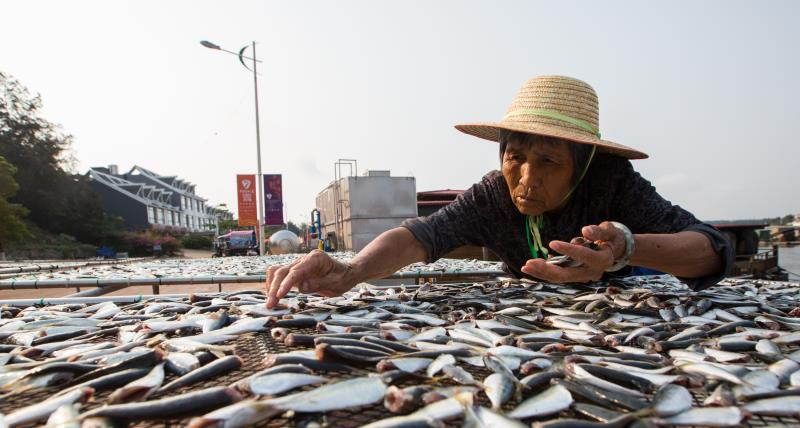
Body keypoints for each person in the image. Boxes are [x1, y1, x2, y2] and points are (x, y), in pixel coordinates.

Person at [265, 75, 732, 308]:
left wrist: (626, 248)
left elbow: (711, 248)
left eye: (549, 161)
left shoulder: (612, 182)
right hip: (524, 325)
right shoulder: (492, 195)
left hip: (615, 321)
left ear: (582, 163)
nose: (526, 177)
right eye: (516, 157)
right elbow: (419, 235)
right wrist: (352, 271)